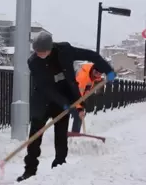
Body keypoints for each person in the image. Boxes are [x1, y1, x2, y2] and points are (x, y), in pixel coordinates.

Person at [16, 31, 116, 182]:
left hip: (64, 95)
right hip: (42, 99)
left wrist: (108, 70)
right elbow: (45, 87)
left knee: (61, 135)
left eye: (43, 52)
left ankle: (59, 166)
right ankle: (30, 170)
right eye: (37, 52)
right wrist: (64, 103)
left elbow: (92, 55)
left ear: (50, 48)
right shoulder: (33, 62)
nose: (40, 54)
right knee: (35, 137)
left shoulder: (65, 50)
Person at [70, 63, 103, 133]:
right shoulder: (82, 77)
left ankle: (74, 134)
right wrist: (80, 109)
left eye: (100, 74)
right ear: (94, 71)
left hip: (77, 94)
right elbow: (78, 94)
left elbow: (89, 84)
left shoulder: (92, 74)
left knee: (79, 115)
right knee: (77, 113)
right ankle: (73, 134)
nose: (99, 76)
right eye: (98, 74)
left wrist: (87, 90)